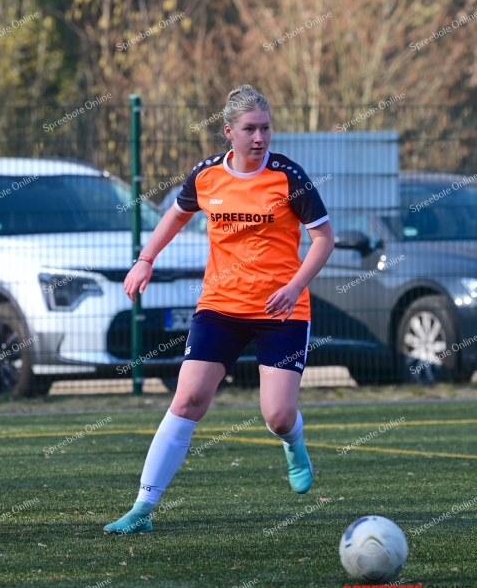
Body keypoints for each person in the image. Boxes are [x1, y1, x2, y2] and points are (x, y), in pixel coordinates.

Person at [103, 85, 335, 534]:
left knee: (277, 416)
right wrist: (145, 259)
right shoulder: (207, 175)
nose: (259, 138)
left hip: (281, 310)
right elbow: (175, 214)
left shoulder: (289, 177)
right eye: (250, 129)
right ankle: (142, 508)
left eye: (265, 128)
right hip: (220, 307)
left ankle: (293, 441)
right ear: (229, 131)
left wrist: (294, 287)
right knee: (188, 399)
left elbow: (324, 239)